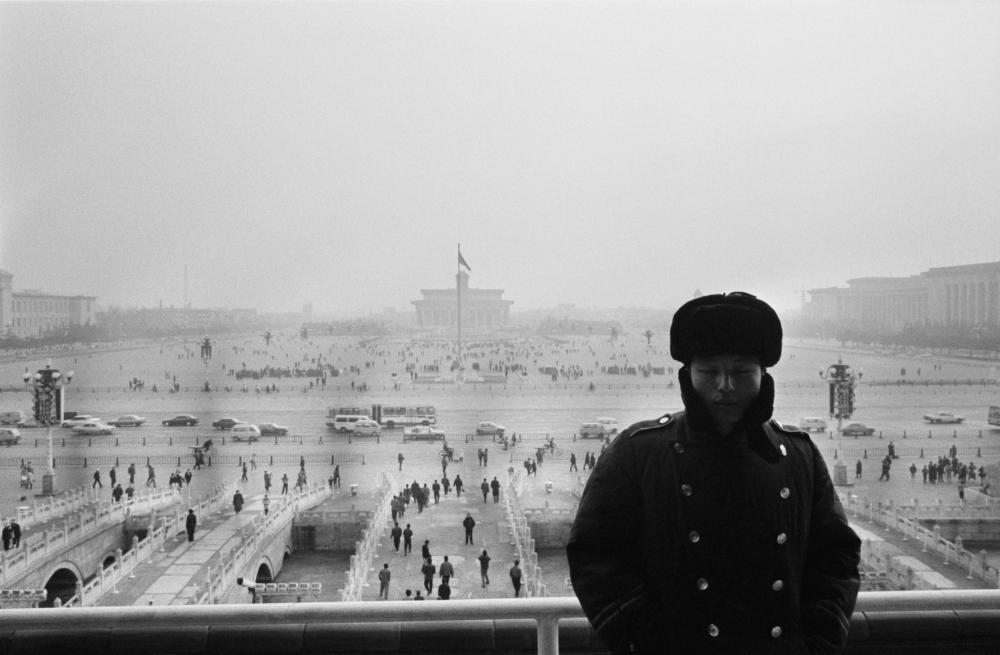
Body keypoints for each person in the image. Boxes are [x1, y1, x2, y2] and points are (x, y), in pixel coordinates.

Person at [567, 292, 861, 654]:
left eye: (741, 372)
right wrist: (648, 642)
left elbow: (835, 558)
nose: (725, 386)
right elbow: (596, 555)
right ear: (687, 376)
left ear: (763, 376)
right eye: (709, 372)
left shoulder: (797, 456)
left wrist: (816, 643)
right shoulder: (639, 452)